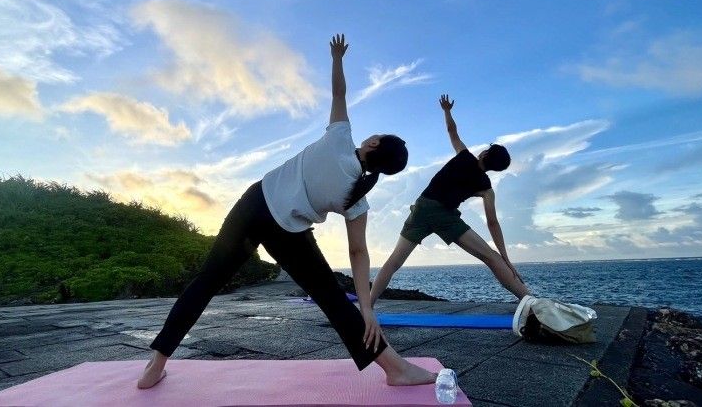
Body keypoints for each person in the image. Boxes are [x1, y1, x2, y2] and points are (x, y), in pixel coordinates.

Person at [138, 35, 437, 389]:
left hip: (255, 205)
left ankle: (156, 363)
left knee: (207, 281)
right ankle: (395, 369)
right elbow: (358, 253)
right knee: (332, 299)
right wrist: (367, 309)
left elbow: (339, 94)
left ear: (373, 142)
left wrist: (337, 58)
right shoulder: (357, 200)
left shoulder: (340, 138)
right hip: (288, 232)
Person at [370, 94, 529, 307]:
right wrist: (505, 258)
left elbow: (452, 131)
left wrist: (447, 111)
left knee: (393, 263)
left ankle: (367, 306)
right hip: (445, 216)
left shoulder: (465, 156)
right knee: (492, 257)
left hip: (422, 208)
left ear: (484, 153)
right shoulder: (486, 188)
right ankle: (530, 301)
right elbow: (493, 223)